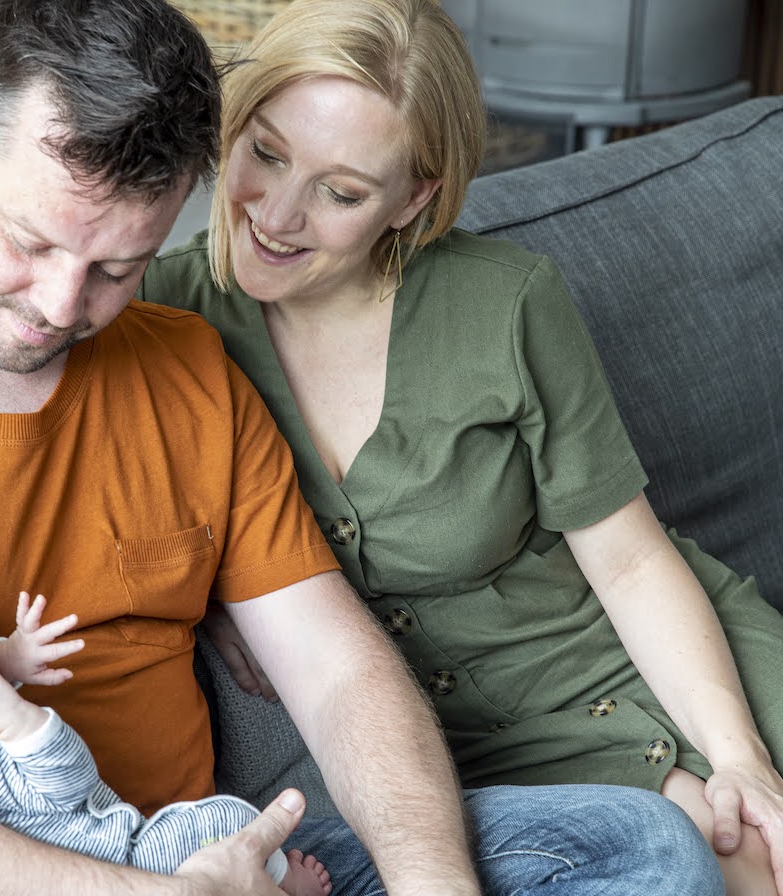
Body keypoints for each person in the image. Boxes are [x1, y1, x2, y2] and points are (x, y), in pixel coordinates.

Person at [0, 0, 724, 894]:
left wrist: (429, 882)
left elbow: (336, 669)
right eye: (28, 242)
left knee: (640, 846)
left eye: (118, 267)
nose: (62, 308)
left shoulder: (187, 363)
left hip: (232, 850)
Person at [138, 0, 783, 894]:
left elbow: (631, 562)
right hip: (471, 738)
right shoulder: (162, 324)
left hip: (653, 657)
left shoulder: (507, 303)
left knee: (760, 836)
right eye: (267, 152)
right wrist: (216, 599)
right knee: (723, 861)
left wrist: (739, 754)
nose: (277, 214)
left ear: (414, 198)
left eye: (342, 191)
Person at [0, 585, 331, 896]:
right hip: (125, 858)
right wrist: (18, 720)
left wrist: (11, 658)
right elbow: (70, 785)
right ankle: (287, 884)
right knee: (222, 821)